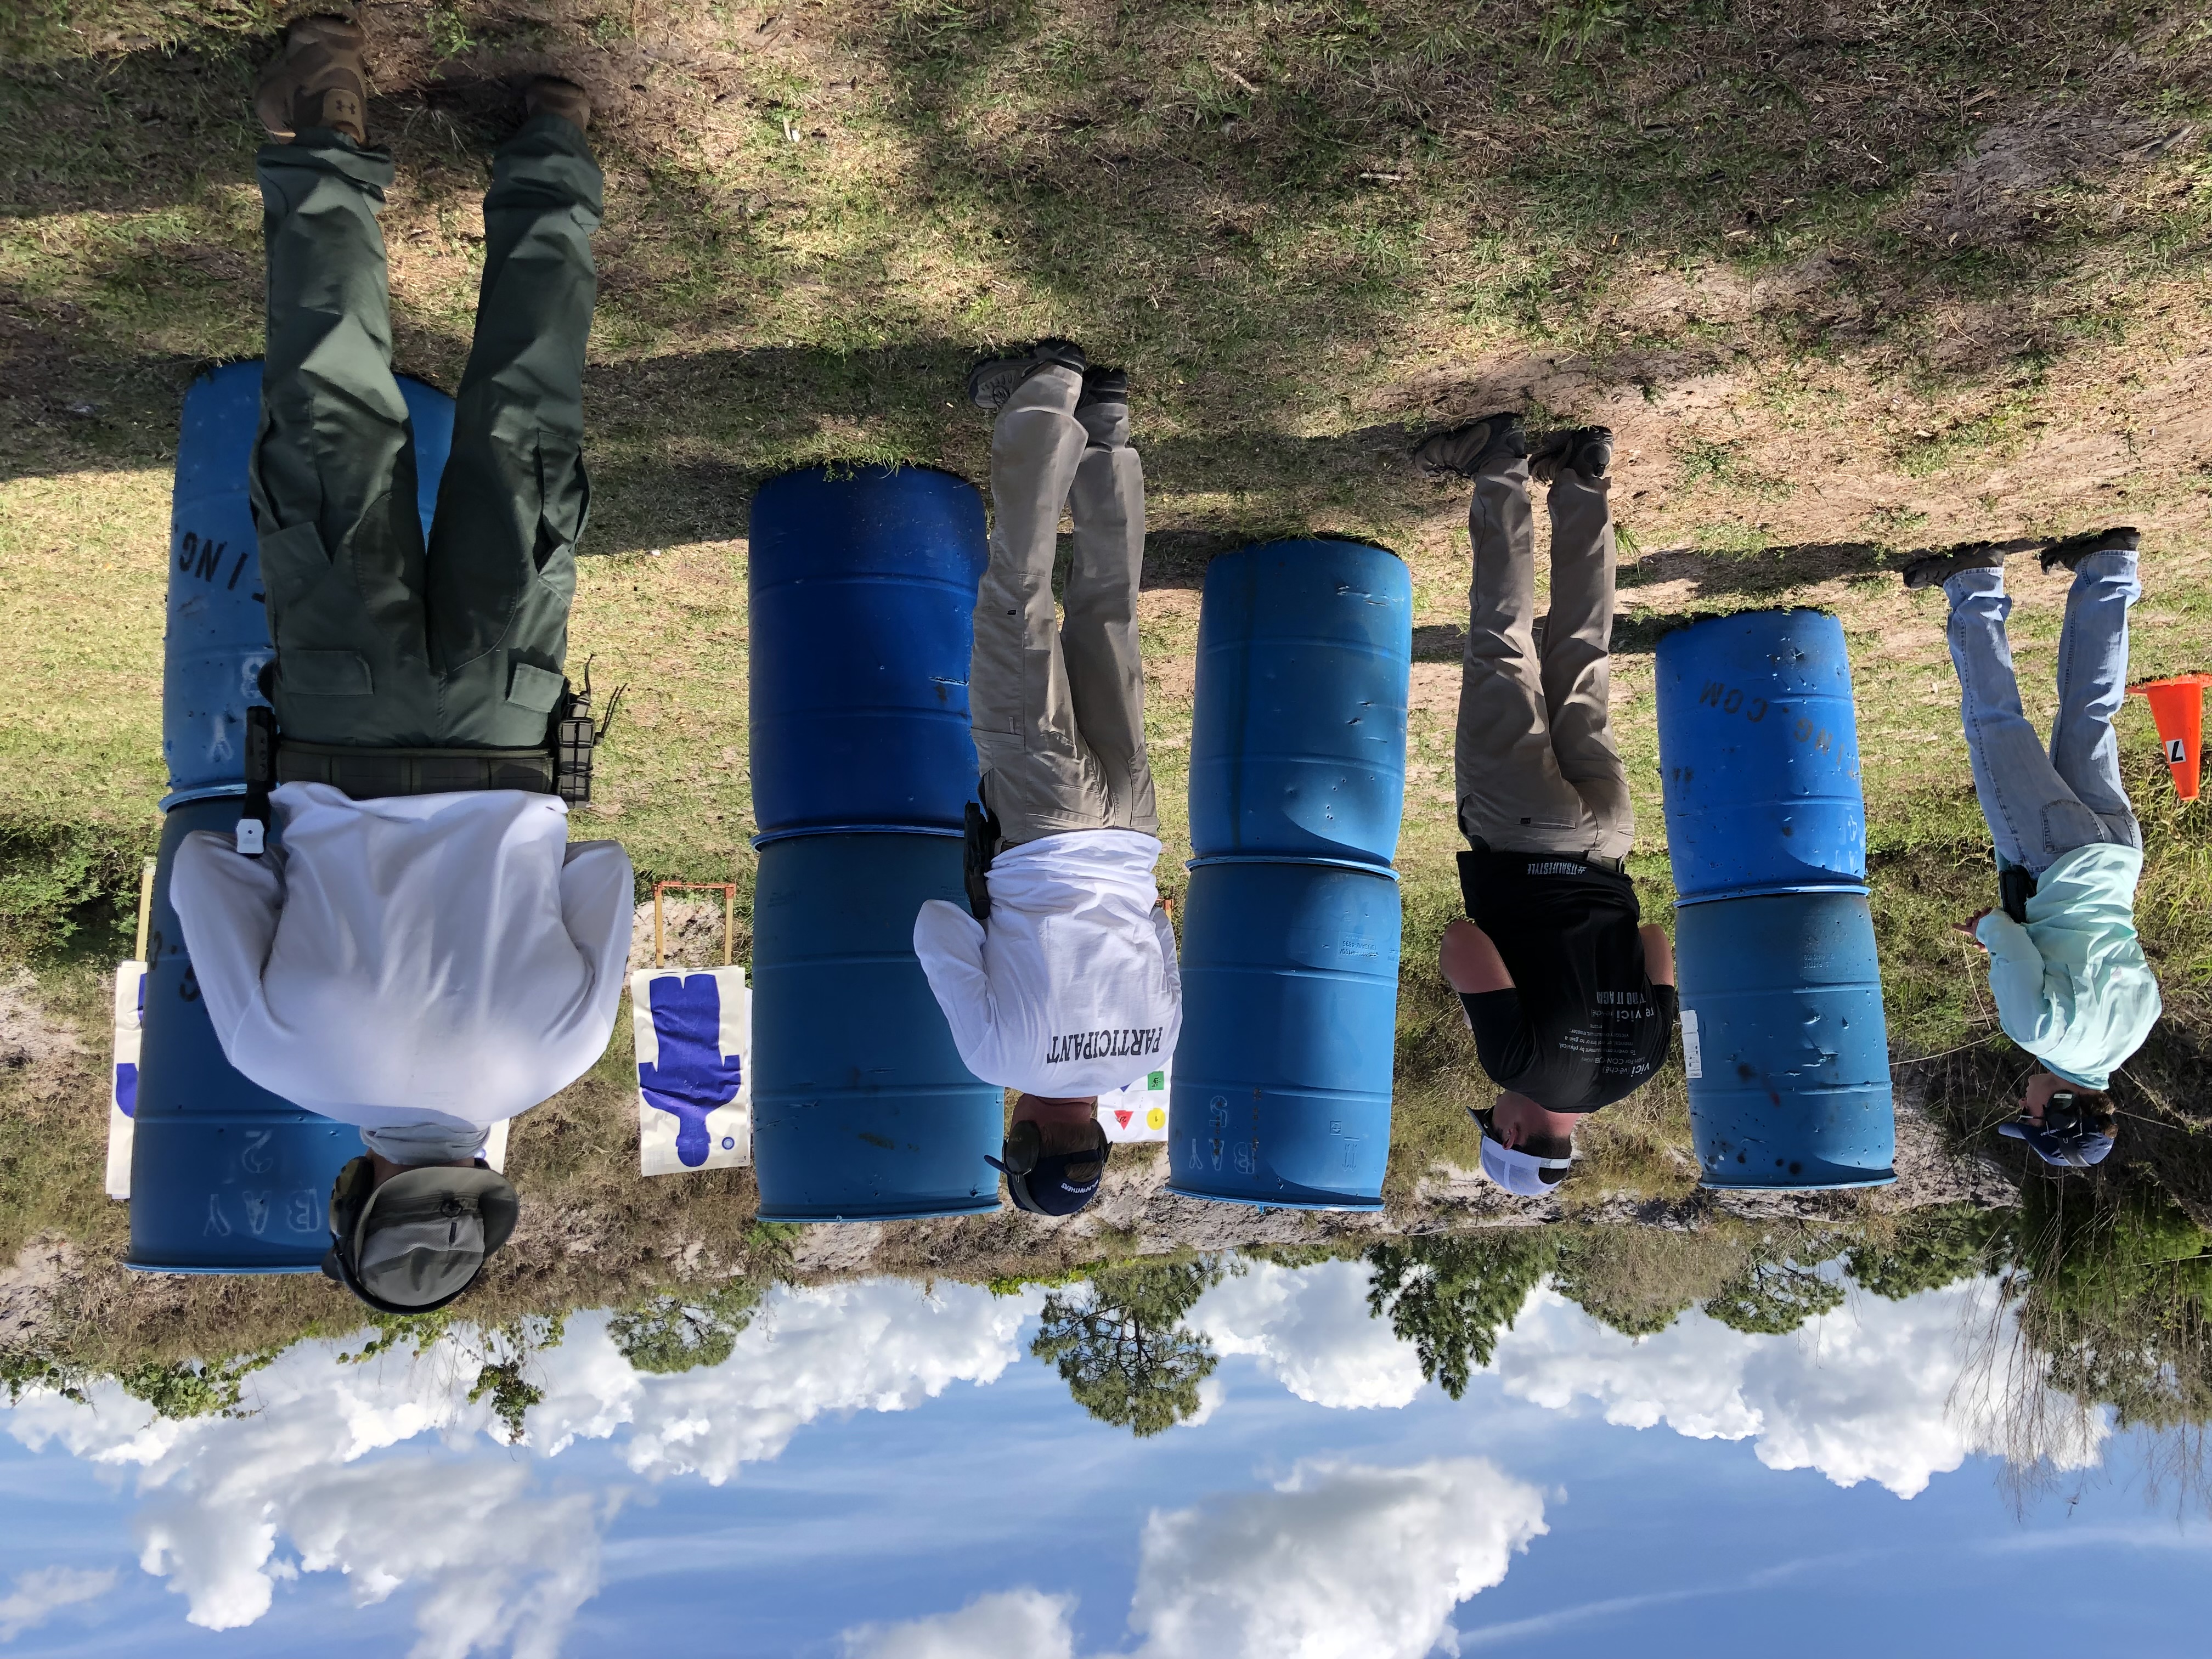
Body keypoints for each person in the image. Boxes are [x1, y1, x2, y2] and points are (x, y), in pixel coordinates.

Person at [168, 12, 630, 1312]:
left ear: (476, 1186)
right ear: (352, 1195)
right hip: (336, 713)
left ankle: (553, 147)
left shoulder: (557, 1056)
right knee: (330, 423)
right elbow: (204, 870)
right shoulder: (281, 1059)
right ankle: (323, 117)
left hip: (509, 722)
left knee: (527, 437)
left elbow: (602, 872)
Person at [912, 340, 1181, 1217]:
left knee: (1110, 614)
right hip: (1040, 822)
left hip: (1135, 830)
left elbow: (1161, 924)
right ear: (1022, 1141)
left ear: (1097, 1139)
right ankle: (1044, 397)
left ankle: (1106, 428)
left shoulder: (1156, 1052)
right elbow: (936, 929)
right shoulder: (997, 1058)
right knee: (1017, 601)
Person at [1417, 412, 1677, 1195]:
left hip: (1609, 840)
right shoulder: (1516, 1066)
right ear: (1514, 1133)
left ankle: (1583, 475)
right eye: (1493, 1122)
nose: (1493, 1109)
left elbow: (1656, 941)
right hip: (1524, 835)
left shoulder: (1640, 1068)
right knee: (1502, 648)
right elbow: (1463, 943)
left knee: (1583, 655)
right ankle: (1497, 460)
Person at [1905, 527, 2161, 1165]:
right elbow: (2009, 939)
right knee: (1994, 727)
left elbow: (2096, 950)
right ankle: (1973, 584)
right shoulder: (2038, 1034)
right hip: (2054, 857)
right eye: (2032, 1115)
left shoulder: (2136, 1031)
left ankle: (2109, 570)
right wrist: (1988, 932)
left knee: (2090, 716)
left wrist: (2016, 937)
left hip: (2118, 856)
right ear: (2064, 1110)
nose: (2023, 1103)